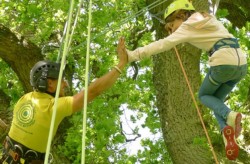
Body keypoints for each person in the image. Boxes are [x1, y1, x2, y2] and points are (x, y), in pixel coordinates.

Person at [124, 0, 247, 161]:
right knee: (215, 100)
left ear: (181, 15)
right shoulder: (207, 17)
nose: (172, 28)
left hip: (222, 62)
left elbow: (162, 44)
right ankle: (226, 131)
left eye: (172, 23)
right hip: (240, 65)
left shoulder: (187, 26)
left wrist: (133, 55)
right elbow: (209, 5)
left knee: (203, 96)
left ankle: (230, 115)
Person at [0, 37, 128, 164]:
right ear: (49, 84)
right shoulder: (53, 108)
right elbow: (93, 91)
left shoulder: (24, 99)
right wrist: (121, 63)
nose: (65, 84)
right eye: (61, 80)